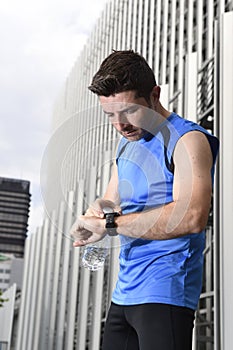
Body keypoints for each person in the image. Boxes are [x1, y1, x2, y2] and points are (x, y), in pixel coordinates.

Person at [70, 50, 219, 350]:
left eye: (128, 112)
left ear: (154, 95)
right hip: (123, 295)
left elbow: (191, 216)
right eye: (110, 115)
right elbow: (111, 205)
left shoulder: (187, 139)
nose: (119, 125)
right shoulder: (127, 147)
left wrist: (110, 224)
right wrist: (94, 218)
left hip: (165, 292)